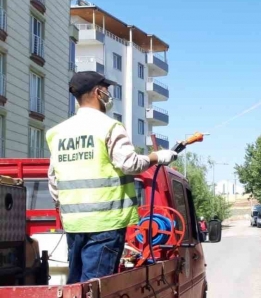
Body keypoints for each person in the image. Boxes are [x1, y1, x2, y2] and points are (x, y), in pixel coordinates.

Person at [47, 71, 178, 284]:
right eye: (106, 89)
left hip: (73, 224)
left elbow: (53, 179)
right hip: (105, 224)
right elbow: (129, 164)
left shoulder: (58, 132)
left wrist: (66, 208)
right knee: (95, 290)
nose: (109, 94)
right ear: (97, 92)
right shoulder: (109, 127)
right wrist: (157, 157)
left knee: (76, 286)